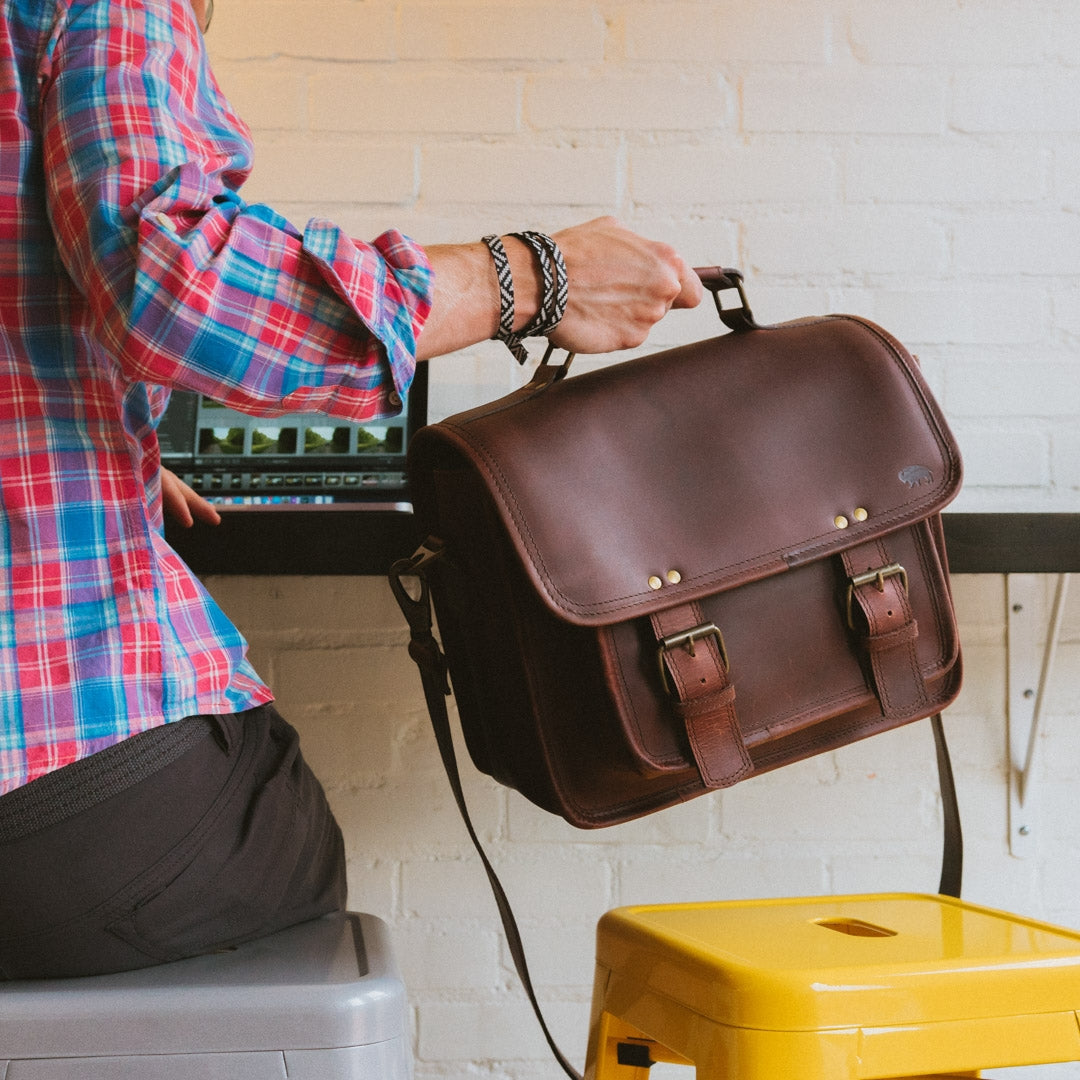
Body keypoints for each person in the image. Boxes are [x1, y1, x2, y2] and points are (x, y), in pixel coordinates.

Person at [0, 0, 701, 979]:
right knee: (282, 830)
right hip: (41, 778)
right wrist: (529, 277)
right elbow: (172, 278)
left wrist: (76, 434)